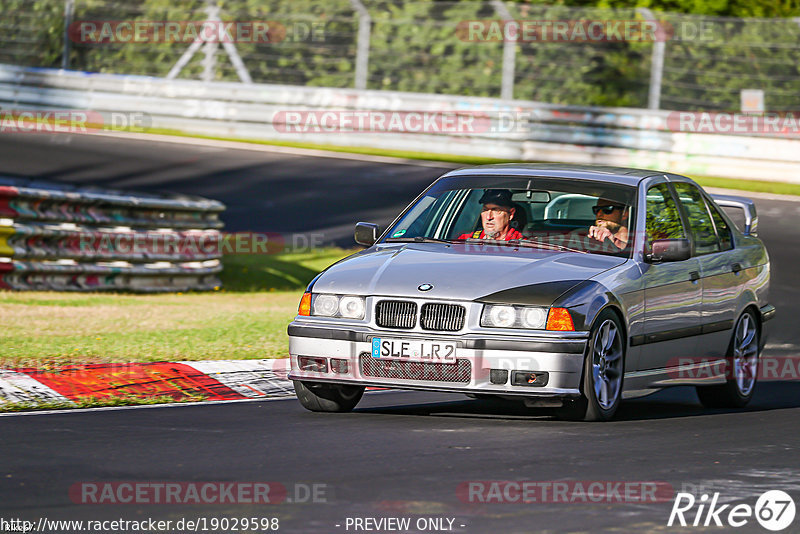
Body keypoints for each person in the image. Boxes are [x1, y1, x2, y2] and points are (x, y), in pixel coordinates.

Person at [457, 189, 523, 241]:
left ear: (511, 214)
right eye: (485, 210)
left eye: (496, 210)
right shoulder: (465, 241)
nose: (489, 217)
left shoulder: (523, 245)